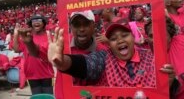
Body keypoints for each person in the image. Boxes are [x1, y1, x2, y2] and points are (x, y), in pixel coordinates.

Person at [47, 19, 175, 87]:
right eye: (113, 39)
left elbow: (170, 91)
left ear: (133, 37)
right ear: (109, 43)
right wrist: (63, 62)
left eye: (124, 35)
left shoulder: (151, 57)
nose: (119, 40)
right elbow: (86, 64)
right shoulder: (104, 58)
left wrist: (169, 83)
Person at [13, 14, 55, 95]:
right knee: (36, 97)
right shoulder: (27, 36)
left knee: (48, 97)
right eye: (34, 21)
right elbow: (16, 49)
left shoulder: (49, 37)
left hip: (46, 73)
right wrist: (16, 33)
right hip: (31, 74)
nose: (36, 22)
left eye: (39, 20)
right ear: (31, 24)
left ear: (43, 23)